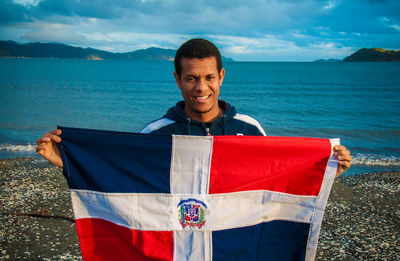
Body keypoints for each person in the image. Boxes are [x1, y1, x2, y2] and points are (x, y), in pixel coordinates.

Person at [36, 38, 352, 177]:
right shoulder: (156, 134)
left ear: (221, 77)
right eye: (191, 78)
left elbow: (275, 177)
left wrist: (324, 170)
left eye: (209, 77)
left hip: (232, 237)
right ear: (177, 79)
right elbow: (122, 174)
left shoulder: (249, 129)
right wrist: (64, 160)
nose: (201, 87)